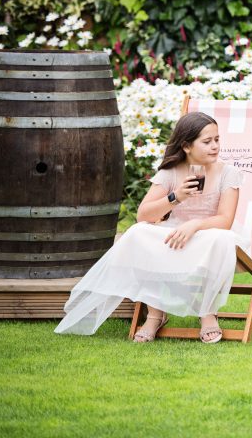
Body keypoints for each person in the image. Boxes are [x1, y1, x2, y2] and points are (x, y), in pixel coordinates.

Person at [55, 112, 242, 343]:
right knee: (138, 233)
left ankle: (207, 314)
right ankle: (155, 314)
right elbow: (143, 215)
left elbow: (225, 220)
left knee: (220, 239)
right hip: (175, 233)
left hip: (209, 233)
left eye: (217, 139)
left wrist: (195, 225)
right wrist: (176, 197)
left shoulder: (228, 173)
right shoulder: (171, 172)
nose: (215, 146)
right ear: (186, 146)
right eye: (207, 141)